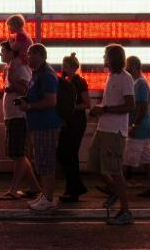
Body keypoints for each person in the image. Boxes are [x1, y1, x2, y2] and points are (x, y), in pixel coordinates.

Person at [88, 44, 135, 225]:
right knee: (94, 166)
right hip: (103, 128)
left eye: (106, 55)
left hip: (115, 131)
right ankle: (115, 191)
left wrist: (105, 109)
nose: (103, 58)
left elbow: (130, 105)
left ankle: (126, 211)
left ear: (113, 58)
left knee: (115, 171)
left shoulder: (125, 78)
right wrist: (100, 108)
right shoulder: (111, 76)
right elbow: (110, 103)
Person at [17, 44, 61, 211]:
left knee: (46, 161)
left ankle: (48, 198)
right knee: (41, 161)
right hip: (38, 124)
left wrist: (29, 106)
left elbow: (51, 101)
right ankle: (45, 194)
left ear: (39, 55)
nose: (26, 57)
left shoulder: (47, 75)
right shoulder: (37, 73)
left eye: (29, 54)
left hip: (46, 124)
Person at [0, 41, 41, 201]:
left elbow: (26, 90)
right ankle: (34, 187)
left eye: (3, 51)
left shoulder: (20, 68)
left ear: (11, 52)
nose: (0, 54)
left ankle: (13, 190)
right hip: (12, 116)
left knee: (18, 154)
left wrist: (11, 86)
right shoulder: (11, 67)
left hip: (18, 116)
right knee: (18, 154)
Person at [124, 56, 150, 198]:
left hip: (140, 127)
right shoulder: (140, 82)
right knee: (147, 159)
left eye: (127, 66)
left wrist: (134, 125)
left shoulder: (140, 84)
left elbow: (142, 107)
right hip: (144, 127)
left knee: (126, 159)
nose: (125, 69)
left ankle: (115, 188)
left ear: (133, 66)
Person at [57, 52, 91, 203]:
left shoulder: (79, 82)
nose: (63, 69)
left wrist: (70, 108)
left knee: (68, 154)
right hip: (69, 122)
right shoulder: (65, 81)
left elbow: (87, 103)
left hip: (76, 122)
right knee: (65, 154)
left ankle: (73, 189)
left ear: (73, 67)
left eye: (65, 66)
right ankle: (74, 187)